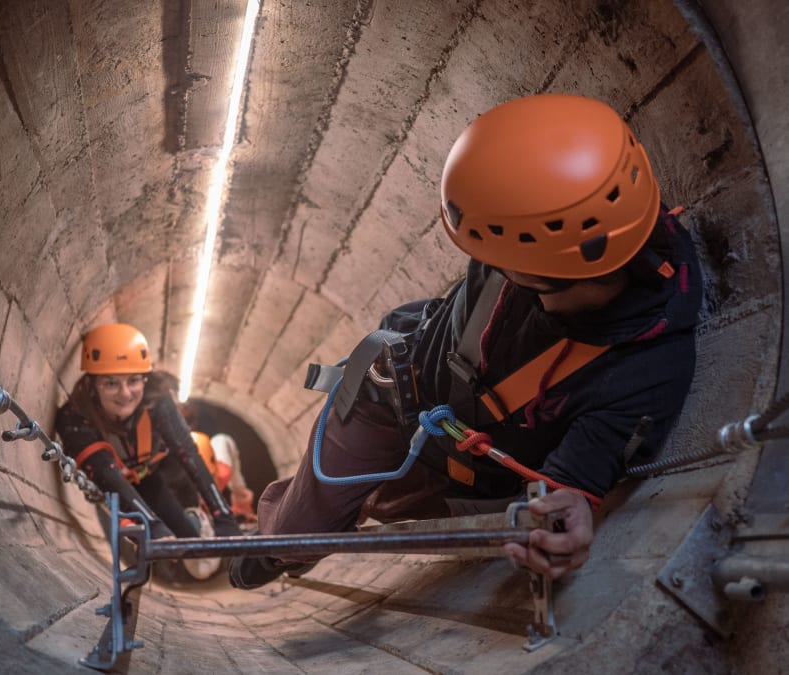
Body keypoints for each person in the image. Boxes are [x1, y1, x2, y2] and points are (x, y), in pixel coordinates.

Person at [229, 93, 702, 589]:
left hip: (462, 467)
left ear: (539, 271)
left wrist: (567, 510)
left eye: (500, 263)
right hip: (392, 397)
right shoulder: (562, 226)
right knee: (297, 532)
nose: (487, 265)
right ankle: (280, 544)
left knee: (380, 506)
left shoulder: (647, 368)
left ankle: (335, 511)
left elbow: (575, 481)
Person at [55, 323, 242, 580]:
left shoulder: (156, 399)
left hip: (155, 474)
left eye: (133, 380)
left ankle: (199, 518)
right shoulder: (74, 418)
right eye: (111, 383)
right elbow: (107, 476)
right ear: (93, 383)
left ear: (144, 379)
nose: (125, 394)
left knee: (197, 555)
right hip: (124, 482)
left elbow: (187, 452)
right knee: (180, 550)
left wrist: (223, 515)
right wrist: (152, 526)